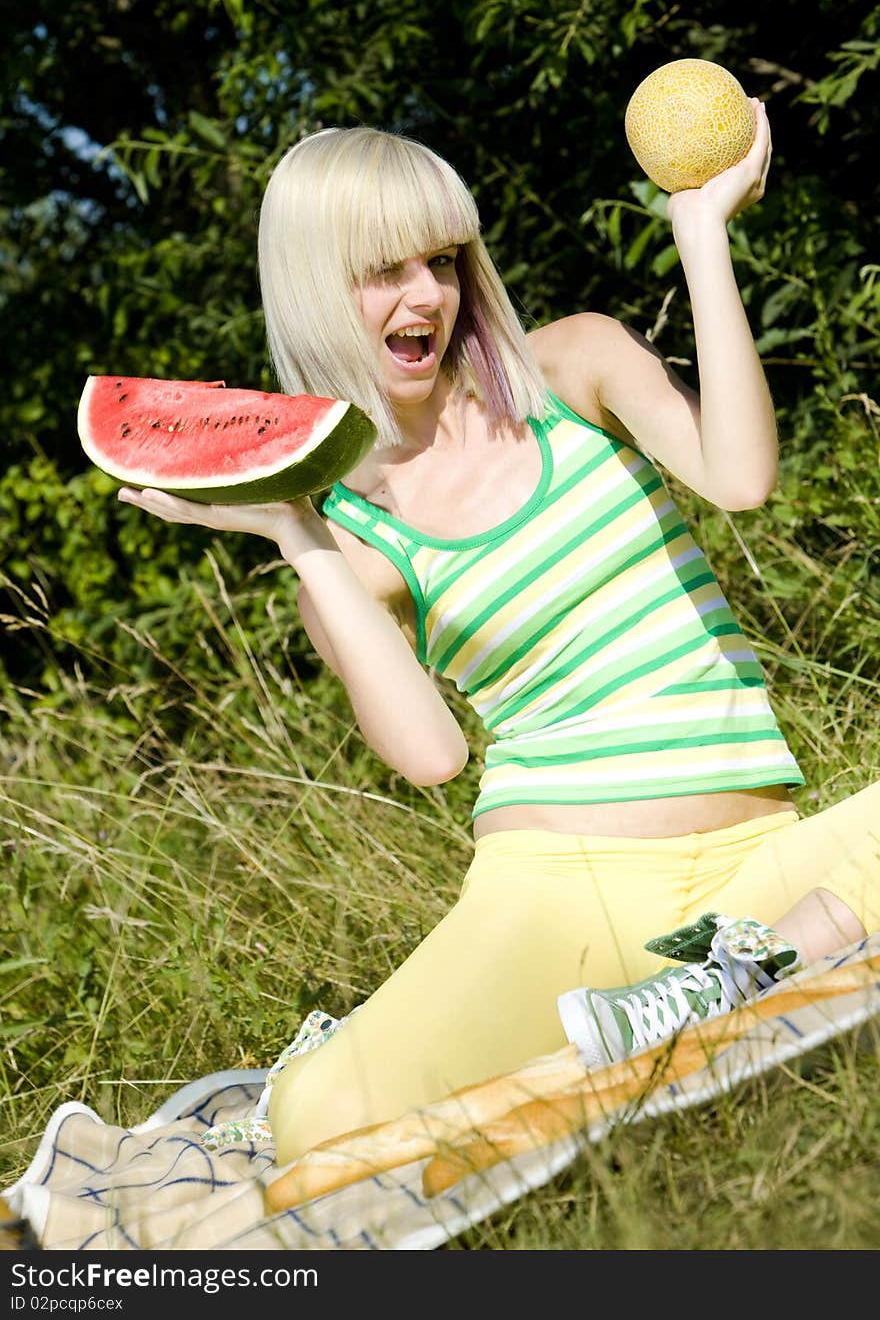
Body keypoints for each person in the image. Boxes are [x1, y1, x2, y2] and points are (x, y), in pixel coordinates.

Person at [118, 105, 879, 1169]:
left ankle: (719, 984)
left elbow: (741, 479)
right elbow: (431, 757)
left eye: (442, 257)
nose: (425, 293)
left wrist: (698, 233)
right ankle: (644, 1022)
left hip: (765, 868)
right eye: (382, 268)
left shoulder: (574, 366)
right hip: (556, 891)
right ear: (309, 289)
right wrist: (296, 529)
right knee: (316, 1123)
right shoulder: (356, 540)